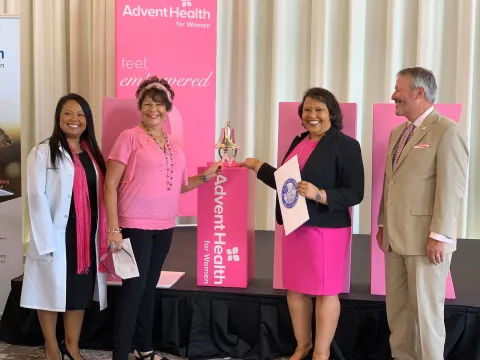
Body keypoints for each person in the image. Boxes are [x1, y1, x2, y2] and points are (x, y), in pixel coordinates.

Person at [241, 87, 364, 360]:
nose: (312, 115)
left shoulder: (346, 145)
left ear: (332, 113)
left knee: (325, 292)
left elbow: (356, 193)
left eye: (319, 110)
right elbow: (287, 184)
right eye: (307, 110)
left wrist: (320, 194)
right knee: (295, 290)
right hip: (295, 227)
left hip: (327, 230)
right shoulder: (299, 141)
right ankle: (302, 347)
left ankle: (321, 354)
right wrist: (257, 165)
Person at [104, 76, 222, 360]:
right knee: (133, 290)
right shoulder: (129, 137)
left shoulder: (172, 143)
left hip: (165, 225)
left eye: (158, 104)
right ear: (139, 107)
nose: (152, 109)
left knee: (148, 288)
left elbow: (181, 184)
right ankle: (120, 354)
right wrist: (113, 228)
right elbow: (110, 184)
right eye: (147, 104)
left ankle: (144, 349)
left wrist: (208, 175)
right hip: (134, 224)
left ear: (167, 108)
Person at [376, 67, 469, 360]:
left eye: (398, 89)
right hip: (394, 238)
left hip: (426, 243)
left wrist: (439, 235)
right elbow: (390, 183)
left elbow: (451, 188)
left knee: (427, 317)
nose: (394, 95)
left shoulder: (447, 130)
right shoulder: (396, 133)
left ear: (419, 92)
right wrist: (381, 223)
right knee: (399, 315)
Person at [20, 93, 109, 360]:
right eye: (69, 113)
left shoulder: (92, 154)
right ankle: (51, 346)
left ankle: (72, 347)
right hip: (56, 233)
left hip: (85, 236)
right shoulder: (43, 152)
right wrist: (45, 239)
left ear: (87, 121)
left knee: (80, 292)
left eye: (81, 114)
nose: (75, 119)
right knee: (49, 290)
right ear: (59, 118)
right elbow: (36, 197)